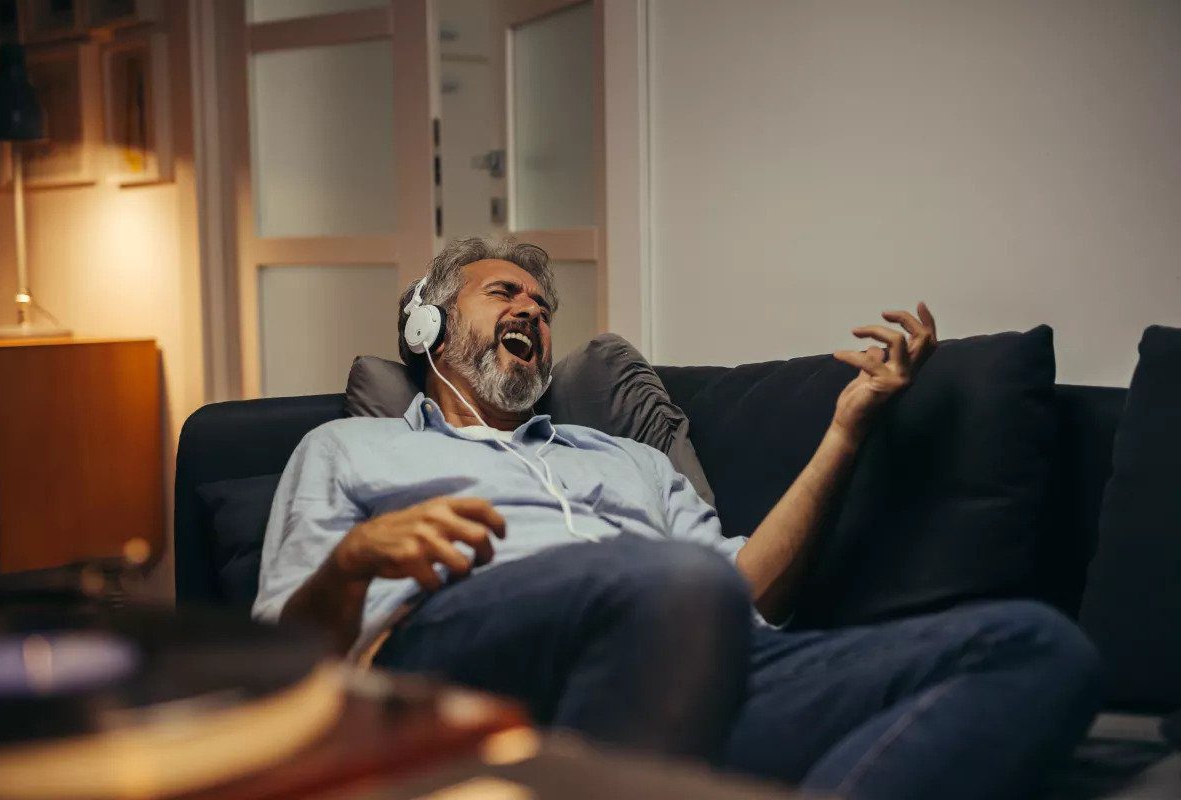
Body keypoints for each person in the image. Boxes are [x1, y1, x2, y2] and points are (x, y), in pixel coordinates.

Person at [254, 236, 1100, 799]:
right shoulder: (350, 449)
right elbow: (279, 665)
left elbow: (744, 595)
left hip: (694, 658)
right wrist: (352, 563)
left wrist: (848, 429)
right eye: (503, 293)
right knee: (666, 578)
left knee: (1035, 646)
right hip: (470, 662)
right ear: (428, 327)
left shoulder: (627, 460)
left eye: (543, 308)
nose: (532, 313)